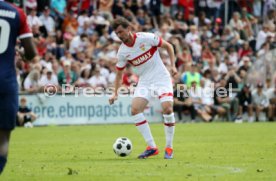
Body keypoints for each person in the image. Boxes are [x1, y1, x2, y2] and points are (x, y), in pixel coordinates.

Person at [109, 17, 177, 159]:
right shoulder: (122, 52)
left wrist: (173, 66)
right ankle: (152, 147)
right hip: (145, 81)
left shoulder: (146, 38)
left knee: (168, 108)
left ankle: (169, 148)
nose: (119, 35)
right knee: (135, 110)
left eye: (121, 31)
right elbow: (119, 73)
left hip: (161, 77)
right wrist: (115, 93)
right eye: (117, 34)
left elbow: (169, 46)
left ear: (128, 29)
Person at [0, 0, 37, 174]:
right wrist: (22, 53)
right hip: (6, 81)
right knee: (3, 138)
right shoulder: (17, 13)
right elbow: (31, 52)